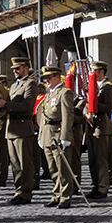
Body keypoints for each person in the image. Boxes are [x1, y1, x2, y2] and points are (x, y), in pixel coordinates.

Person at [38, 66, 76, 209]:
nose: (46, 80)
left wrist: (65, 136)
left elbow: (67, 116)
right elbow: (43, 117)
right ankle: (56, 194)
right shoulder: (49, 94)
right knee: (53, 169)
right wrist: (41, 136)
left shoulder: (64, 93)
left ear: (57, 77)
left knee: (63, 168)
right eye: (45, 78)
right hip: (48, 135)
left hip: (58, 134)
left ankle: (65, 197)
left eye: (49, 77)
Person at [2, 57, 38, 205]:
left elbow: (27, 106)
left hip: (23, 128)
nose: (15, 71)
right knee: (15, 164)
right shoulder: (13, 86)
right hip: (11, 129)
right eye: (13, 69)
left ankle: (26, 192)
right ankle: (19, 191)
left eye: (18, 68)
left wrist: (6, 104)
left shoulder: (30, 84)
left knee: (25, 164)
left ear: (26, 68)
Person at [86, 60, 112, 199]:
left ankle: (103, 187)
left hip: (102, 126)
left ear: (101, 71)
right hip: (91, 126)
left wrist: (93, 102)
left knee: (102, 159)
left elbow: (109, 108)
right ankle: (95, 184)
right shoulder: (92, 87)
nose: (92, 74)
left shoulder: (107, 87)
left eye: (94, 71)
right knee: (92, 158)